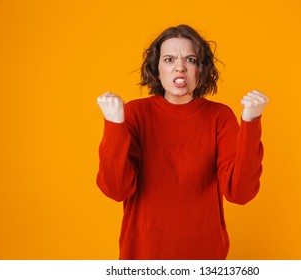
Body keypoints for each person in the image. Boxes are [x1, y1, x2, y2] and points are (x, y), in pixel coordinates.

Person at [96, 24, 268, 260]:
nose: (180, 67)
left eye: (190, 59)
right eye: (169, 59)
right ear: (156, 69)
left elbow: (240, 193)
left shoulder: (220, 117)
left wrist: (251, 121)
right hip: (143, 258)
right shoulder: (135, 114)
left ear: (201, 69)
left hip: (206, 259)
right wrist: (114, 124)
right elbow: (117, 189)